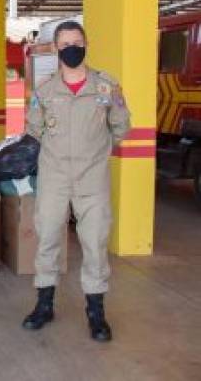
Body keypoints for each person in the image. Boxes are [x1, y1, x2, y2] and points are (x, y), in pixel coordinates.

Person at [23, 21, 131, 342]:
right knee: (47, 238)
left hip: (92, 177)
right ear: (55, 49)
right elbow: (34, 128)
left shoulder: (106, 86)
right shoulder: (44, 90)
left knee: (95, 242)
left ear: (86, 44)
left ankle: (95, 312)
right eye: (65, 43)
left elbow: (121, 127)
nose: (72, 47)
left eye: (77, 41)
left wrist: (94, 151)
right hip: (55, 175)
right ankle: (44, 305)